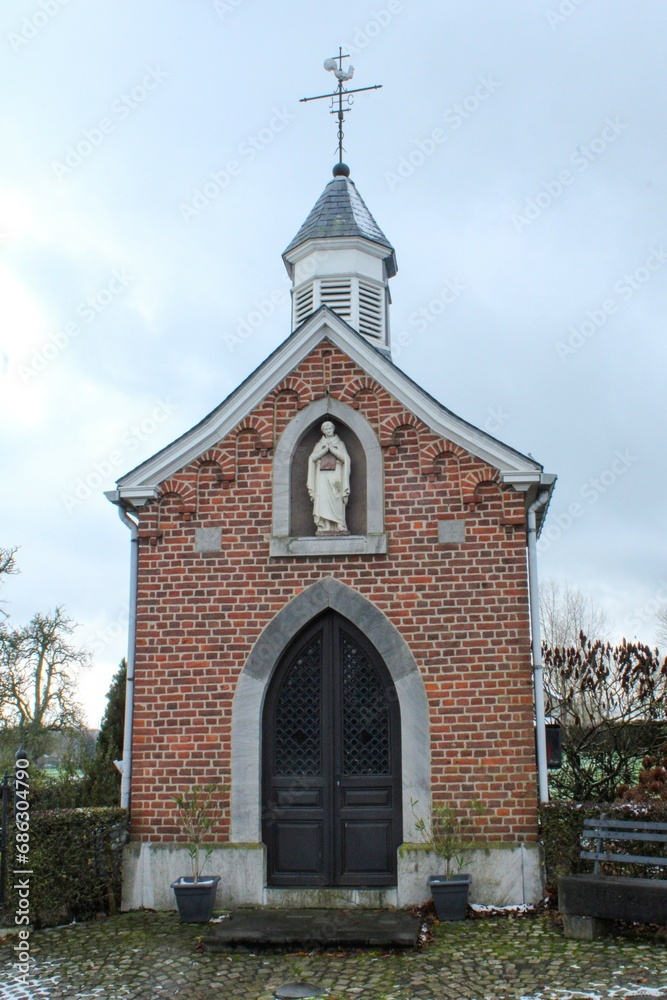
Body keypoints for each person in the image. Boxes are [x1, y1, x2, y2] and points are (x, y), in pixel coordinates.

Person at [306, 421, 351, 534]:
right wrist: (325, 450)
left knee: (337, 496)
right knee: (323, 499)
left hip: (336, 473)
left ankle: (339, 523)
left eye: (330, 428)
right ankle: (326, 524)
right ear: (323, 431)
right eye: (325, 429)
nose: (328, 430)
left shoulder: (340, 443)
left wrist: (333, 450)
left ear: (333, 429)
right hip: (322, 474)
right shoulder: (319, 444)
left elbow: (345, 458)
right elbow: (312, 458)